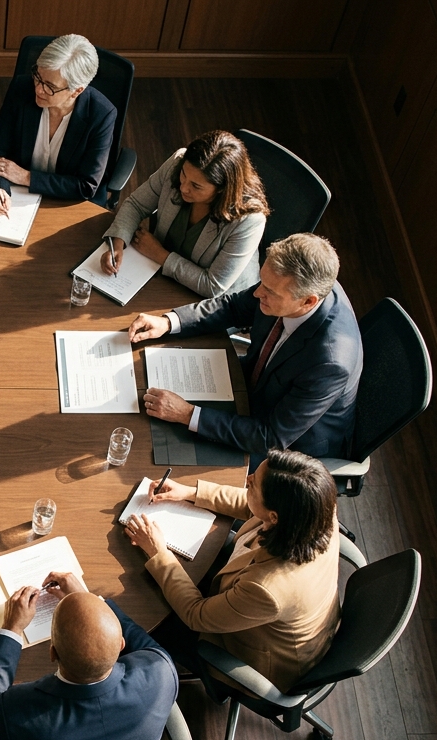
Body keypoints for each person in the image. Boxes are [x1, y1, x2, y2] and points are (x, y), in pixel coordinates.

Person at [128, 232, 362, 460]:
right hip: (250, 386)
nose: (258, 292)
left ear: (308, 301)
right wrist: (168, 322)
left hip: (288, 446)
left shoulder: (329, 362)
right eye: (262, 282)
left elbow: (270, 437)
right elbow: (234, 307)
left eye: (269, 292)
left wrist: (186, 413)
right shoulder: (289, 286)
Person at [124, 449, 341, 693]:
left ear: (275, 517)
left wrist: (159, 552)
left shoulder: (267, 588)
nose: (246, 480)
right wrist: (191, 493)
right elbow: (254, 507)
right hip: (275, 611)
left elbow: (197, 615)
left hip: (253, 653)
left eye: (253, 484)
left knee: (135, 617)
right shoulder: (313, 509)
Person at [0, 571, 178, 740]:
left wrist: (12, 628)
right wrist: (89, 599)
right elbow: (147, 645)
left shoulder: (22, 716)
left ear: (52, 653)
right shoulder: (161, 671)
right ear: (122, 644)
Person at [100, 130, 268, 297]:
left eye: (196, 186)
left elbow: (213, 285)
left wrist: (160, 255)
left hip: (213, 301)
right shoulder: (178, 162)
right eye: (184, 175)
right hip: (159, 275)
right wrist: (118, 242)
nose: (183, 188)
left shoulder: (249, 219)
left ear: (222, 189)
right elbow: (136, 205)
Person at [0, 34, 116, 211]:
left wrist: (26, 177)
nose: (38, 89)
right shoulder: (22, 89)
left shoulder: (101, 115)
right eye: (38, 76)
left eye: (49, 86)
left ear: (76, 91)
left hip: (67, 204)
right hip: (19, 194)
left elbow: (86, 186)